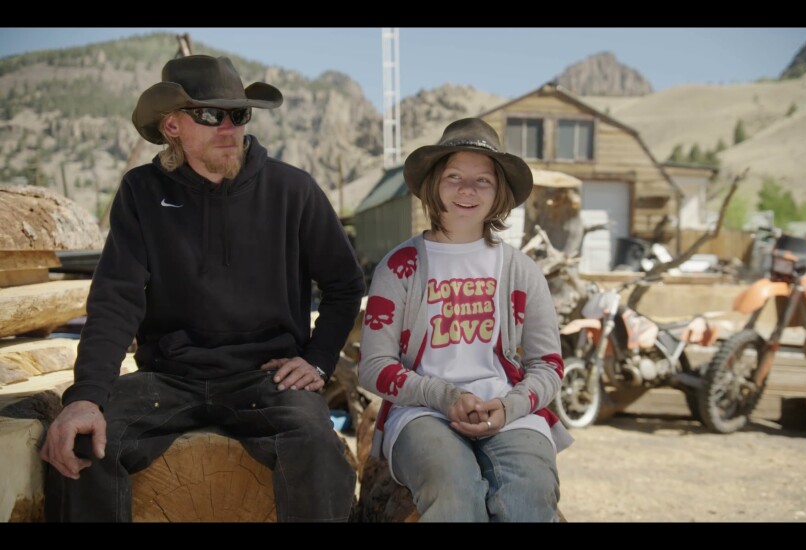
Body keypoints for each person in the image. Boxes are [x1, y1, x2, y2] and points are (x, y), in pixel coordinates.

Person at [39, 55, 365, 522]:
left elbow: (345, 282)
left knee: (317, 443)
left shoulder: (292, 190)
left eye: (239, 114)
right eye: (211, 115)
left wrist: (317, 359)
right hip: (170, 378)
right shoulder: (141, 192)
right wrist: (86, 395)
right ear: (172, 125)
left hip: (266, 377)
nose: (228, 127)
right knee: (83, 442)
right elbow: (116, 300)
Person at [358, 118, 574, 522]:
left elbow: (549, 365)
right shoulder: (401, 267)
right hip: (422, 411)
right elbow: (373, 367)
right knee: (453, 487)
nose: (467, 190)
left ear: (499, 194)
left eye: (483, 181)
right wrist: (446, 397)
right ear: (434, 183)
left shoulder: (521, 271)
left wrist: (510, 406)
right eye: (454, 176)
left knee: (530, 493)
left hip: (507, 409)